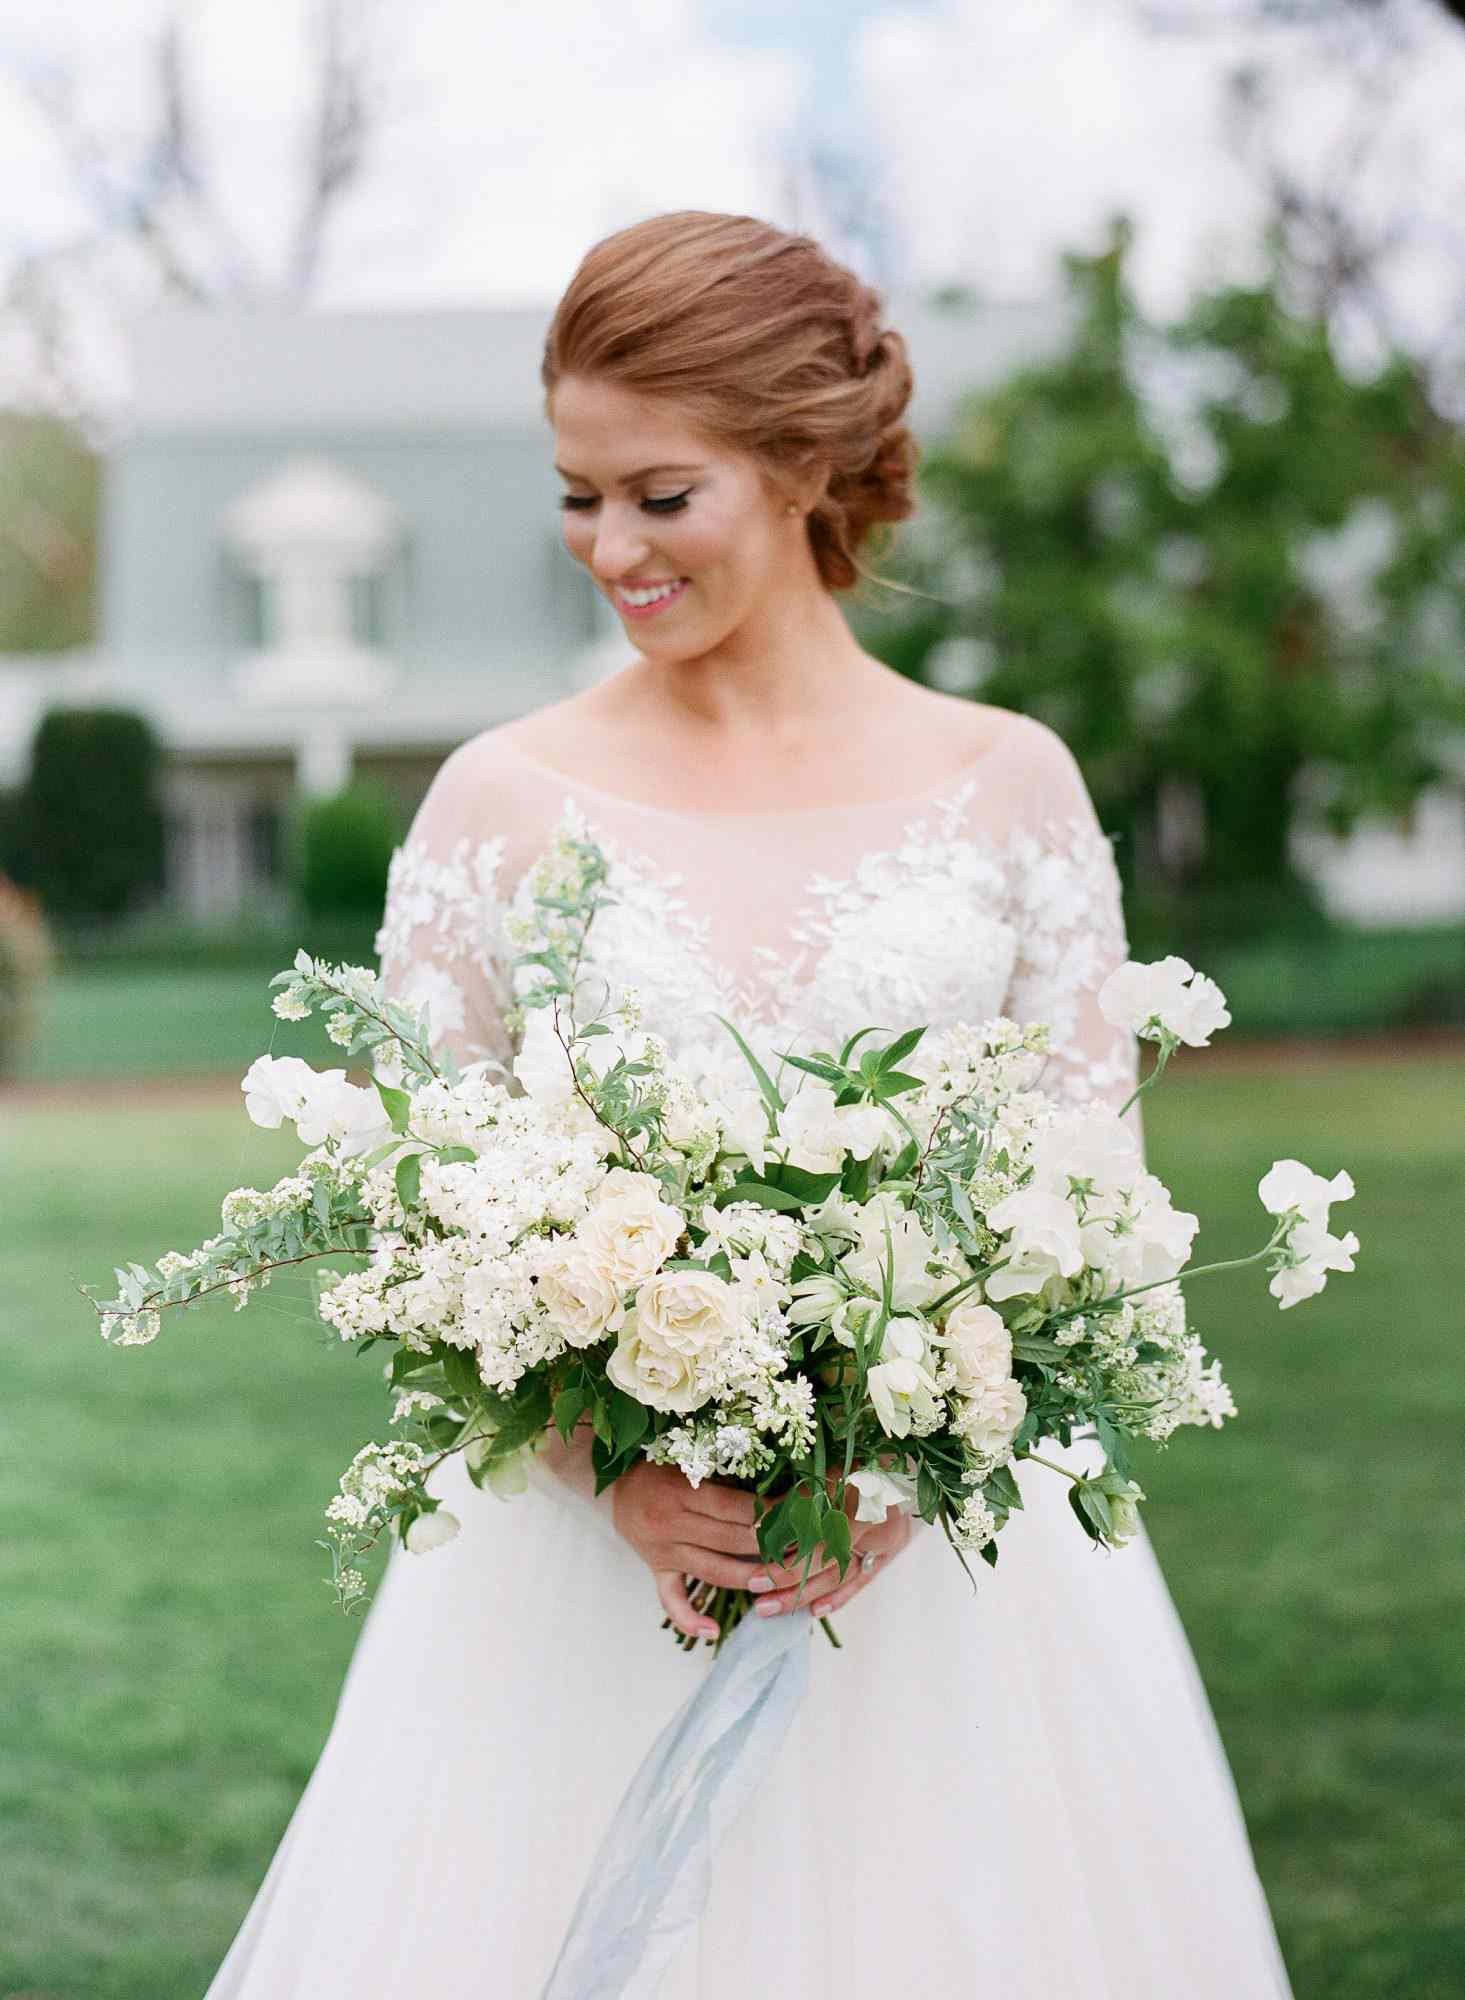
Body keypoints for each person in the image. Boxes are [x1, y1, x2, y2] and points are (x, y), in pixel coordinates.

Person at [206, 209, 1293, 1997]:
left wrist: (920, 1445)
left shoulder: (1006, 784)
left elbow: (1088, 1201)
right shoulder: (500, 800)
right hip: (573, 1595)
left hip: (955, 1600)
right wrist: (600, 1467)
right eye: (577, 495)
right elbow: (416, 1208)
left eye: (658, 493)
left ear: (802, 466)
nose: (607, 548)